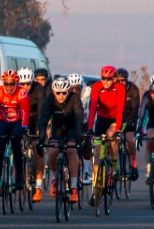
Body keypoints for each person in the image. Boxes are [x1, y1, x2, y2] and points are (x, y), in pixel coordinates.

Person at [38, 75, 83, 203]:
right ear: (53, 92)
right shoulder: (49, 100)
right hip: (58, 128)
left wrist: (79, 141)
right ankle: (55, 178)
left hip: (72, 127)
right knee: (52, 151)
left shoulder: (74, 99)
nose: (61, 96)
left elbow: (79, 120)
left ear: (68, 91)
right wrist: (41, 140)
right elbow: (43, 119)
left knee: (71, 150)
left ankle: (73, 188)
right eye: (58, 93)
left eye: (64, 93)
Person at [86, 65, 126, 205]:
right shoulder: (97, 87)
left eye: (108, 79)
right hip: (102, 119)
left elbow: (121, 108)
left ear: (114, 79)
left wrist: (118, 128)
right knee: (97, 155)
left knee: (111, 137)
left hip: (116, 119)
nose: (105, 82)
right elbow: (92, 109)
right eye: (103, 78)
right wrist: (90, 128)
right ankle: (96, 190)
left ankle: (115, 166)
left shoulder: (119, 88)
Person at [0, 69, 30, 191]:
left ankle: (20, 177)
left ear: (17, 83)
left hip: (17, 122)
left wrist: (23, 127)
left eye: (12, 84)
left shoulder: (22, 92)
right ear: (3, 84)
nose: (10, 87)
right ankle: (0, 173)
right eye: (6, 84)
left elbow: (25, 111)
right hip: (3, 121)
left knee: (16, 146)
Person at [27, 67, 51, 202]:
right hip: (26, 120)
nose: (41, 82)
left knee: (37, 147)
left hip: (38, 120)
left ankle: (38, 186)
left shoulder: (43, 90)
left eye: (43, 79)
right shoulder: (20, 90)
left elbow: (43, 111)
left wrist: (42, 128)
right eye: (38, 79)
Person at [115, 68, 140, 178]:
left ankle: (133, 163)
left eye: (123, 81)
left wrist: (130, 124)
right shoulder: (112, 89)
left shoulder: (133, 89)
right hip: (116, 119)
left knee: (130, 139)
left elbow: (135, 109)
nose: (121, 83)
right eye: (118, 81)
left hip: (129, 118)